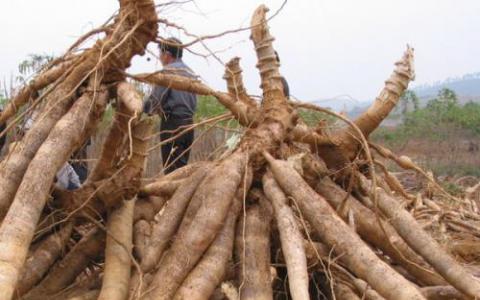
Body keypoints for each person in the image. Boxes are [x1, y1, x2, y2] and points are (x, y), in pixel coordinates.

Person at [144, 37, 197, 174]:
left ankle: (173, 196)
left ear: (167, 54)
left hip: (172, 125)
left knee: (171, 170)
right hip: (189, 125)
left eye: (160, 54)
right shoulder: (191, 73)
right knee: (181, 169)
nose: (160, 58)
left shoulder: (167, 72)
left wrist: (143, 109)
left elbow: (156, 99)